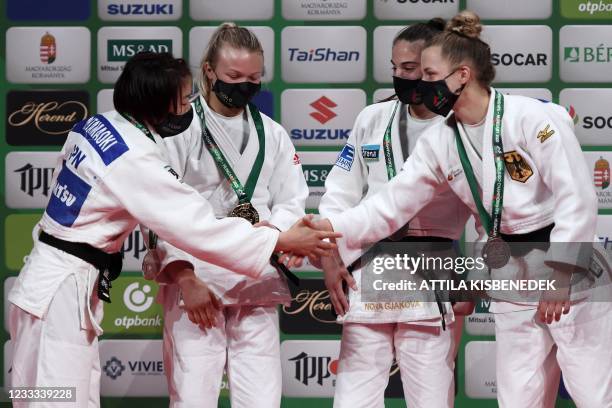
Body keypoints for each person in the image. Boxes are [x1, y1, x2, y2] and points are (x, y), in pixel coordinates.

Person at [312, 11, 611, 408]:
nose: (423, 85)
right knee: (518, 397)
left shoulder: (533, 117)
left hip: (568, 266)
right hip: (513, 268)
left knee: (593, 392)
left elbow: (578, 196)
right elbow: (388, 205)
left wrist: (561, 272)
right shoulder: (440, 139)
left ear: (463, 75)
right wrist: (326, 231)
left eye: (431, 76)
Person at [7, 52, 339, 408]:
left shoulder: (97, 126)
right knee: (55, 400)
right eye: (182, 101)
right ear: (157, 104)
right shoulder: (133, 158)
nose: (188, 107)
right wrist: (281, 239)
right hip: (60, 291)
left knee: (47, 394)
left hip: (51, 280)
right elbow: (195, 225)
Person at [315, 19, 470, 408]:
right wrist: (331, 257)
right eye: (395, 68)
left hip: (431, 265)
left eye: (411, 69)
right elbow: (339, 193)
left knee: (430, 395)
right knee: (353, 396)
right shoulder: (372, 118)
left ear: (435, 68)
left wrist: (476, 277)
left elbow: (487, 207)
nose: (400, 77)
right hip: (369, 264)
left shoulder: (459, 127)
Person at [151, 24, 308, 408]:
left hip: (256, 277)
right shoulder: (179, 129)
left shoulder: (272, 134)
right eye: (233, 77)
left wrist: (278, 232)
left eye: (253, 79)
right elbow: (160, 207)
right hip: (198, 282)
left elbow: (292, 200)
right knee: (193, 399)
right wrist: (184, 276)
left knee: (262, 401)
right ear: (208, 71)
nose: (244, 87)